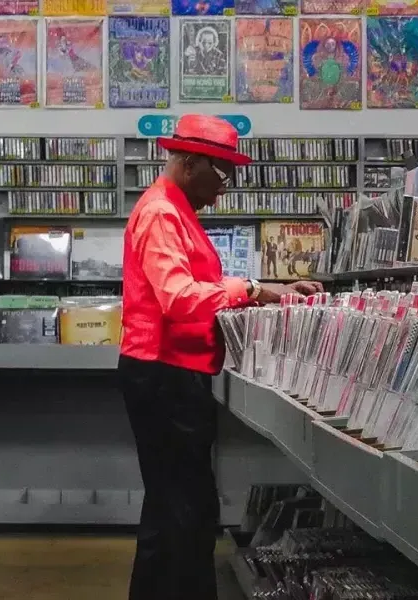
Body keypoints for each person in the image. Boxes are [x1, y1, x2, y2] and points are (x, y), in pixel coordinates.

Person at [118, 114, 322, 600]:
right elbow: (180, 297)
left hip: (170, 372)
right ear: (191, 163)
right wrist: (252, 288)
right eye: (223, 172)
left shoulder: (176, 210)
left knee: (171, 511)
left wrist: (266, 292)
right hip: (164, 374)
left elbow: (199, 290)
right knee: (187, 514)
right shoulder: (162, 213)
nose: (226, 186)